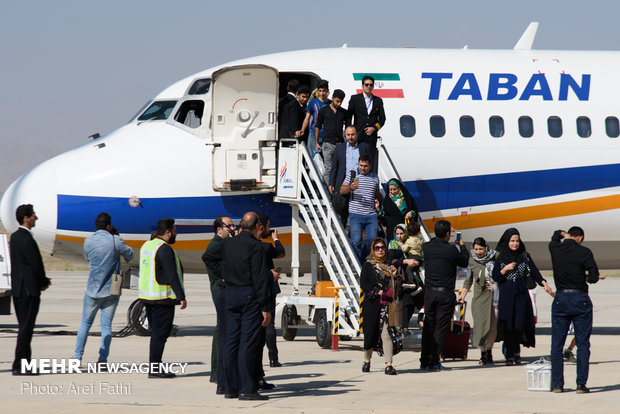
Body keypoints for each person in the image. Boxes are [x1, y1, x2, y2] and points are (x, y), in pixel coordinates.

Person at [221, 212, 273, 401]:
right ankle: (247, 388)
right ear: (257, 226)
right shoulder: (255, 247)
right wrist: (265, 307)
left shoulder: (227, 243)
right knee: (248, 343)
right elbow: (260, 279)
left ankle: (230, 388)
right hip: (248, 295)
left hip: (231, 293)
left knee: (231, 342)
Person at [73, 212, 134, 368]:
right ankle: (102, 360)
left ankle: (77, 357)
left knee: (85, 324)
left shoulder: (88, 241)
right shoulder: (115, 240)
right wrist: (117, 237)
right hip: (111, 291)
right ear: (109, 226)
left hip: (92, 290)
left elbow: (88, 259)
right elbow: (130, 255)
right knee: (106, 326)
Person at [548, 227, 600, 394]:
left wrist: (562, 234)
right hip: (580, 299)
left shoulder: (556, 249)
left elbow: (554, 237)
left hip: (561, 298)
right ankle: (581, 385)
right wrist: (582, 276)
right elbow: (593, 278)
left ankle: (557, 384)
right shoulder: (584, 252)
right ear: (581, 237)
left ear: (569, 236)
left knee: (556, 344)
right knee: (583, 344)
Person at [492, 228, 553, 366]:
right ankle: (509, 355)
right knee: (508, 325)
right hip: (507, 295)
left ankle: (516, 352)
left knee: (519, 324)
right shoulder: (501, 258)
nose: (515, 244)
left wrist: (544, 284)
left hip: (521, 295)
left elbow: (535, 272)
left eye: (517, 241)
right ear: (507, 241)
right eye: (512, 241)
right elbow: (495, 276)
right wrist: (505, 269)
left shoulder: (525, 256)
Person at [138, 218, 187, 378]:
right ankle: (155, 369)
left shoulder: (148, 245)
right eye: (174, 230)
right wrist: (181, 296)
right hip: (162, 298)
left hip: (147, 297)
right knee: (160, 334)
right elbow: (172, 275)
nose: (176, 234)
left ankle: (155, 367)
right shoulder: (165, 249)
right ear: (167, 232)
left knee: (156, 334)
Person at [420, 220, 469, 371]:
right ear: (448, 234)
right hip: (444, 294)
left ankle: (424, 360)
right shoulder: (451, 250)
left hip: (429, 293)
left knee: (428, 326)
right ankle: (434, 360)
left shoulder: (426, 247)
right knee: (440, 328)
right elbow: (464, 262)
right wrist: (462, 246)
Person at [9, 204, 51, 375]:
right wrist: (43, 281)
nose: (36, 218)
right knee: (26, 329)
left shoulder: (15, 237)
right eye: (33, 215)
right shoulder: (26, 239)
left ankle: (24, 363)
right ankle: (19, 365)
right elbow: (35, 264)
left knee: (24, 328)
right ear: (26, 218)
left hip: (19, 289)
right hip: (29, 291)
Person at [202, 215, 235, 392]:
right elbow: (207, 258)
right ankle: (216, 372)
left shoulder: (223, 243)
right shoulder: (217, 244)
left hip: (221, 288)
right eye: (228, 226)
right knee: (222, 329)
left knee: (222, 328)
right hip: (220, 288)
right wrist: (221, 274)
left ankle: (218, 371)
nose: (232, 228)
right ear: (219, 229)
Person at [360, 237, 403, 375]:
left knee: (387, 334)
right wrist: (377, 292)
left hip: (387, 304)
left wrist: (394, 275)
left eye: (382, 248)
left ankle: (388, 365)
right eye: (377, 248)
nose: (380, 250)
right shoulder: (367, 265)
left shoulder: (389, 266)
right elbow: (364, 285)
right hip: (372, 304)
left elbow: (397, 287)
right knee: (370, 333)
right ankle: (367, 361)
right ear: (373, 249)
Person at [457, 237, 498, 365]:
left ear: (486, 247)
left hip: (495, 295)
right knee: (480, 327)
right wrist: (462, 294)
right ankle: (483, 353)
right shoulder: (472, 261)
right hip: (480, 297)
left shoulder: (496, 257)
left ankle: (489, 351)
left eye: (481, 249)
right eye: (476, 249)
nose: (479, 252)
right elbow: (468, 280)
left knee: (492, 326)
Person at [256, 213, 285, 369]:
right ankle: (273, 358)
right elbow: (281, 251)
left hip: (253, 289)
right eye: (268, 226)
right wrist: (275, 238)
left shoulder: (248, 246)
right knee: (270, 324)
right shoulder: (266, 247)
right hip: (268, 287)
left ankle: (255, 359)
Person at [340, 154, 381, 262]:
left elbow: (377, 193)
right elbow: (342, 190)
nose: (362, 168)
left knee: (372, 241)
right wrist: (350, 187)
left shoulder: (375, 177)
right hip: (356, 214)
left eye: (365, 166)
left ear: (370, 165)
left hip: (371, 215)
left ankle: (363, 260)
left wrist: (378, 201)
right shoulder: (352, 175)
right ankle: (358, 265)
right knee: (356, 241)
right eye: (360, 165)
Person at [328, 125, 371, 223]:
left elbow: (370, 164)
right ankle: (342, 230)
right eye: (348, 135)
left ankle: (353, 231)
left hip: (358, 180)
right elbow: (334, 167)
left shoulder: (364, 147)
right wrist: (331, 183)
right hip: (344, 181)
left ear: (357, 135)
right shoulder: (339, 148)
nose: (350, 137)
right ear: (345, 135)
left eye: (352, 134)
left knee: (356, 208)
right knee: (342, 207)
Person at [387, 224, 422, 335]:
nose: (399, 236)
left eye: (402, 233)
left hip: (413, 276)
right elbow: (391, 261)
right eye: (397, 234)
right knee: (406, 301)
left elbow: (420, 257)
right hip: (400, 277)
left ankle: (412, 324)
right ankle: (404, 327)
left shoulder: (410, 242)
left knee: (414, 302)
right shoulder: (393, 244)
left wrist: (417, 262)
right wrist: (405, 261)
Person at [346, 75, 386, 169]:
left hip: (371, 139)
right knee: (356, 164)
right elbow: (348, 116)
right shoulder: (355, 99)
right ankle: (356, 183)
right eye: (366, 84)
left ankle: (367, 183)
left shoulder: (378, 101)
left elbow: (382, 119)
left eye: (371, 85)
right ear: (362, 86)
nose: (369, 87)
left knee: (369, 164)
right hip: (358, 137)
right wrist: (349, 132)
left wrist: (374, 128)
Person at [315, 89, 347, 185]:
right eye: (337, 101)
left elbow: (348, 128)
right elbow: (318, 126)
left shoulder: (344, 113)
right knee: (328, 169)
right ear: (332, 98)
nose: (339, 104)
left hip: (340, 144)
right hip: (327, 143)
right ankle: (329, 191)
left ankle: (337, 190)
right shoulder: (323, 111)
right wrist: (316, 142)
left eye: (341, 102)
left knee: (340, 168)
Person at [301, 79, 331, 152]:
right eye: (320, 91)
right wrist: (303, 129)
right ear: (317, 91)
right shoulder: (313, 102)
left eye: (324, 91)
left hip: (327, 135)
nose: (322, 93)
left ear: (327, 91)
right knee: (314, 158)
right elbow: (307, 118)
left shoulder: (331, 103)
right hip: (314, 135)